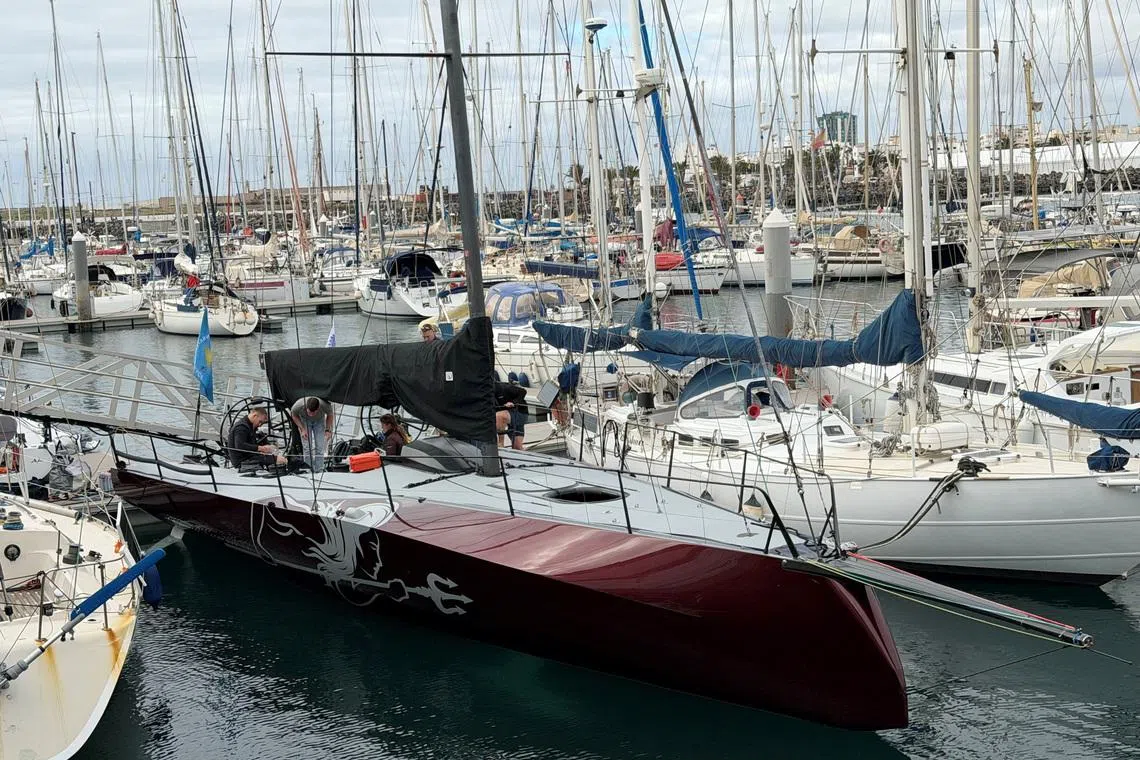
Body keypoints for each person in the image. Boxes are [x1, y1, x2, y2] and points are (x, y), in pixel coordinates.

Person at [290, 396, 335, 472]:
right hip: (305, 421)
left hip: (319, 421)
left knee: (320, 447)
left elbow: (330, 415)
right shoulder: (298, 406)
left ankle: (319, 469)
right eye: (309, 412)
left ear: (318, 409)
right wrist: (302, 429)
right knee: (307, 447)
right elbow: (294, 415)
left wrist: (328, 430)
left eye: (313, 412)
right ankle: (307, 469)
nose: (311, 414)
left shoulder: (325, 405)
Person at [494, 381, 527, 450]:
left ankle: (500, 444)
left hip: (519, 412)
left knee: (499, 416)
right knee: (517, 448)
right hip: (506, 416)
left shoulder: (504, 388)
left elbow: (523, 391)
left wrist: (513, 402)